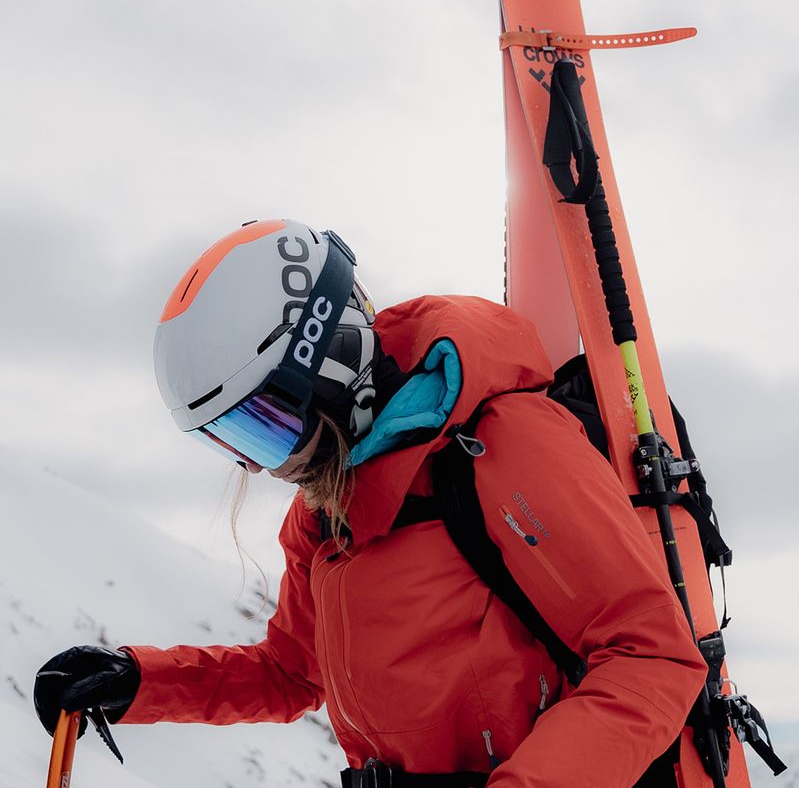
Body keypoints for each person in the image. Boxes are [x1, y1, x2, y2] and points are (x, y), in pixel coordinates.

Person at [35, 219, 707, 788]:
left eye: (264, 425)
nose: (258, 466)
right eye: (233, 440)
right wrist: (139, 683)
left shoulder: (503, 447)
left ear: (330, 362)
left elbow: (652, 657)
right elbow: (293, 673)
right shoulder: (324, 514)